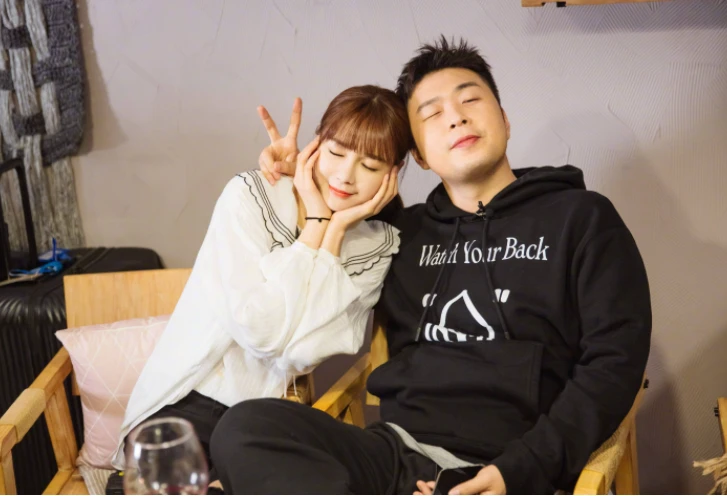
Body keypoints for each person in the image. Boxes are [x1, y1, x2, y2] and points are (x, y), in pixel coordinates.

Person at [210, 37, 651, 495]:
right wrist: (298, 188)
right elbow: (303, 295)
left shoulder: (581, 218)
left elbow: (615, 362)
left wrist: (519, 470)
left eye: (470, 100)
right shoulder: (400, 235)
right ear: (418, 156)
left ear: (504, 120)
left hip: (510, 468)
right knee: (245, 427)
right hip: (395, 455)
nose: (456, 117)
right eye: (432, 114)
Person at [110, 85, 411, 475]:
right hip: (186, 398)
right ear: (316, 145)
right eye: (336, 153)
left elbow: (301, 355)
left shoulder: (377, 247)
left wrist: (335, 231)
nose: (345, 176)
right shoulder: (251, 196)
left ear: (394, 173)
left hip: (266, 420)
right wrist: (317, 225)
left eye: (370, 166)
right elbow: (259, 332)